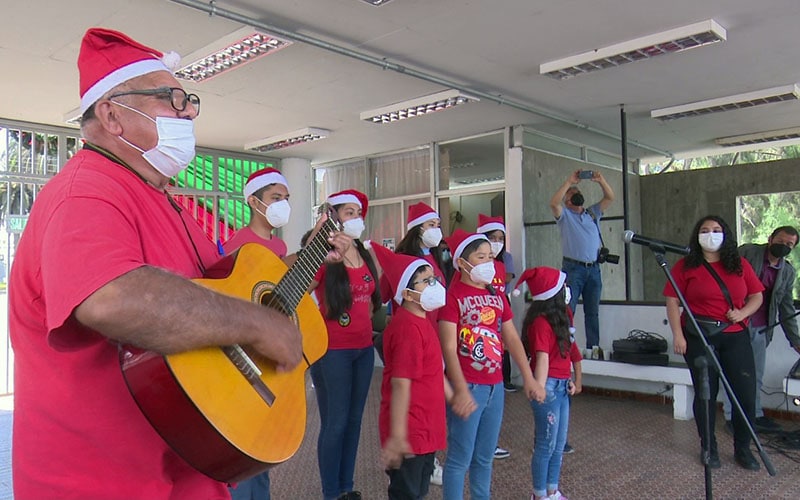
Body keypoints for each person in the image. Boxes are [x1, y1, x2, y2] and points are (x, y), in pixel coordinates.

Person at [7, 28, 349, 499]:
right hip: (104, 484)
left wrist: (302, 260)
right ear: (112, 115)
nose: (188, 111)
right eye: (171, 98)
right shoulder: (85, 191)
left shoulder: (165, 200)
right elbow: (111, 297)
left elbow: (218, 290)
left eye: (189, 101)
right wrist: (259, 325)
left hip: (187, 465)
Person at [437, 229, 545, 500]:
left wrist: (529, 378)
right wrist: (460, 389)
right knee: (459, 458)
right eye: (481, 257)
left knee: (484, 458)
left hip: (495, 387)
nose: (488, 263)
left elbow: (511, 337)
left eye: (490, 257)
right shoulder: (452, 297)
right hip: (469, 386)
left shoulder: (496, 295)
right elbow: (448, 347)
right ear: (462, 263)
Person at [663, 215, 764, 471]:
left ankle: (743, 448)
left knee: (744, 393)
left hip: (735, 335)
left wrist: (742, 313)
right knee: (705, 393)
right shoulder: (685, 265)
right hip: (699, 335)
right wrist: (678, 335)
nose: (711, 234)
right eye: (705, 230)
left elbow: (757, 296)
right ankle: (709, 447)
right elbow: (672, 301)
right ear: (697, 236)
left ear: (725, 234)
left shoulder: (739, 264)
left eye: (716, 230)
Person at [224, 167, 292, 500]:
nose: (283, 204)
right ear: (253, 201)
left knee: (265, 440)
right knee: (243, 439)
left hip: (268, 349)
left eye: (286, 198)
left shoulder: (279, 245)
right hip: (242, 353)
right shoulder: (237, 245)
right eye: (275, 198)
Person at [309, 189, 381, 500]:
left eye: (358, 213)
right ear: (334, 217)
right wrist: (315, 246)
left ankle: (346, 488)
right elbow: (298, 289)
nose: (355, 218)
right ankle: (331, 493)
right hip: (332, 351)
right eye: (349, 212)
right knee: (335, 423)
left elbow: (373, 298)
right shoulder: (325, 255)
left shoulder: (363, 253)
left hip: (363, 350)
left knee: (354, 421)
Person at [372, 242, 451, 500]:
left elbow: (434, 371)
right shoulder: (407, 328)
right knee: (406, 493)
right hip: (410, 433)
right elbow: (401, 384)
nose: (434, 285)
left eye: (434, 279)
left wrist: (454, 396)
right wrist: (397, 436)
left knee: (418, 491)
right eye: (426, 281)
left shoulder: (422, 321)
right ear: (407, 293)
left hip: (425, 428)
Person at [722, 225, 800, 433]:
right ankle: (731, 417)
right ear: (770, 238)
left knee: (755, 375)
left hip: (762, 328)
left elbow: (786, 308)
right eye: (781, 241)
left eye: (789, 244)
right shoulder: (748, 252)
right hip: (735, 323)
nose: (784, 246)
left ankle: (754, 415)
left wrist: (795, 341)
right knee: (732, 372)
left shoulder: (787, 272)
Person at [516, 267, 582, 500]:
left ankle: (552, 491)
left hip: (562, 386)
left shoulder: (563, 316)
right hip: (549, 387)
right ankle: (539, 494)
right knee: (546, 445)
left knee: (558, 444)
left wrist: (575, 379)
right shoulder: (541, 323)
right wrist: (540, 387)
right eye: (563, 287)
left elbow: (570, 351)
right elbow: (542, 358)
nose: (567, 290)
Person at [549, 170, 615, 350]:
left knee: (592, 312)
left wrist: (601, 180)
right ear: (567, 201)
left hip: (593, 269)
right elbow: (554, 203)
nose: (576, 194)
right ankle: (564, 346)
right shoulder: (564, 216)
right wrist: (569, 182)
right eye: (571, 194)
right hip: (573, 269)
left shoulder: (592, 213)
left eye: (577, 192)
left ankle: (593, 347)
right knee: (567, 309)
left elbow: (610, 197)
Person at [476, 214, 514, 461]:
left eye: (501, 238)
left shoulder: (500, 267)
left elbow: (501, 303)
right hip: (478, 337)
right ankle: (476, 442)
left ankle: (489, 442)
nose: (497, 243)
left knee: (494, 394)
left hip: (497, 335)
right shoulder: (475, 269)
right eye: (493, 238)